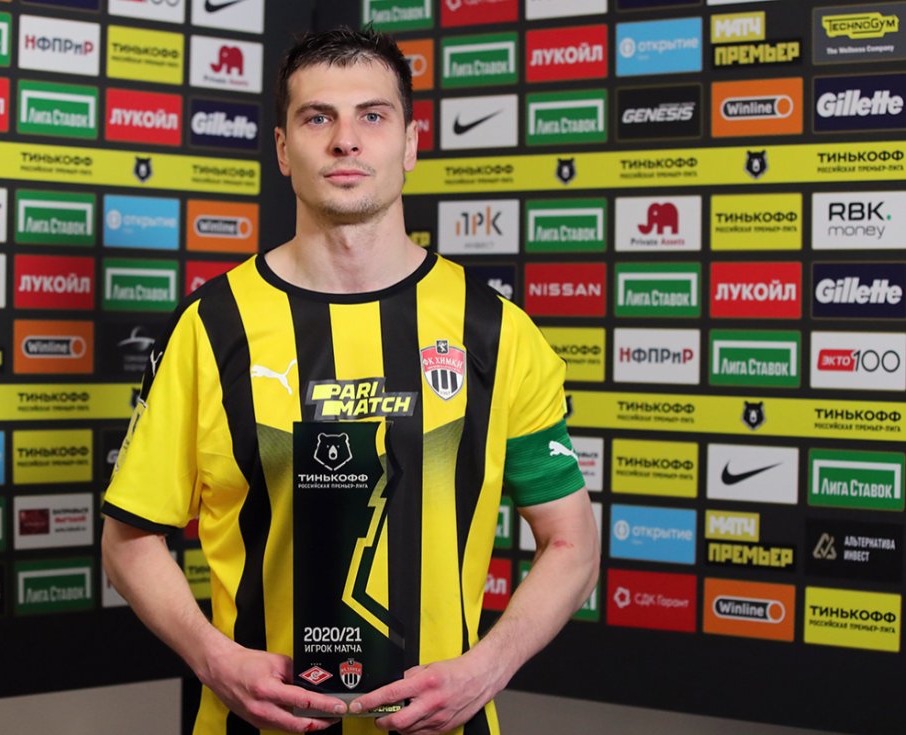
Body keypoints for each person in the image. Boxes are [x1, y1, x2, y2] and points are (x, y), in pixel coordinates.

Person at [101, 26, 599, 735]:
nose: (346, 141)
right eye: (317, 118)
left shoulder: (496, 331)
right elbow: (128, 539)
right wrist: (214, 659)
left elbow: (572, 543)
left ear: (410, 143)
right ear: (283, 149)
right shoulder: (211, 327)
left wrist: (489, 667)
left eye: (373, 115)